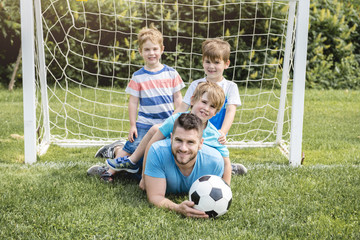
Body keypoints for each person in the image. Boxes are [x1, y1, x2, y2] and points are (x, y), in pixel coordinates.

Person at [92, 25, 185, 177]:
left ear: (162, 49)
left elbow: (177, 98)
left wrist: (177, 117)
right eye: (147, 50)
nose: (151, 53)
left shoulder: (171, 73)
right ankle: (110, 172)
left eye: (155, 49)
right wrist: (133, 125)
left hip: (166, 122)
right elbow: (133, 102)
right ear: (140, 52)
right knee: (131, 147)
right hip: (144, 123)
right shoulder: (138, 76)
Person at [103, 82, 233, 186]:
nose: (206, 108)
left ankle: (120, 152)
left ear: (216, 112)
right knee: (132, 171)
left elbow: (226, 163)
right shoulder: (175, 120)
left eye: (212, 106)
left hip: (181, 168)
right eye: (204, 102)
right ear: (192, 100)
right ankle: (118, 152)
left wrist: (225, 187)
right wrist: (144, 177)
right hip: (158, 161)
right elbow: (152, 144)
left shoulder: (214, 135)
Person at [145, 113, 224, 218]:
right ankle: (117, 148)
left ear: (200, 143)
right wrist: (177, 208)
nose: (183, 148)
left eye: (190, 142)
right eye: (178, 140)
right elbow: (155, 196)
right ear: (171, 138)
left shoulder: (215, 161)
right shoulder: (157, 152)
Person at [175, 38, 241, 145]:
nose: (211, 66)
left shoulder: (230, 87)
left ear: (226, 63)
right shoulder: (196, 85)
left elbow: (230, 111)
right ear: (203, 62)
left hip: (215, 136)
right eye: (207, 62)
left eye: (216, 62)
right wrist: (172, 124)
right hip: (191, 132)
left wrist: (222, 132)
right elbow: (183, 107)